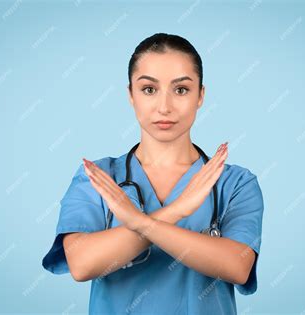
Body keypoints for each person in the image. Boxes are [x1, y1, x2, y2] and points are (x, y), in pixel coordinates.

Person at [42, 32, 264, 315]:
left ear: (201, 96)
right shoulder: (98, 177)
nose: (164, 107)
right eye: (149, 89)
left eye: (181, 90)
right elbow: (82, 264)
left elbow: (237, 266)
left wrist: (140, 223)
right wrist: (177, 210)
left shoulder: (235, 183)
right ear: (131, 95)